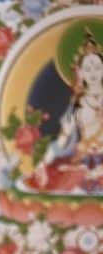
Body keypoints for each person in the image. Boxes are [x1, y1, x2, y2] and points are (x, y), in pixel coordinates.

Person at [28, 29, 103, 194]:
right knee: (62, 176)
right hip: (81, 161)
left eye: (97, 67)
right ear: (80, 73)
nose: (93, 73)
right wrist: (44, 160)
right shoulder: (77, 104)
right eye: (88, 69)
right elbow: (63, 138)